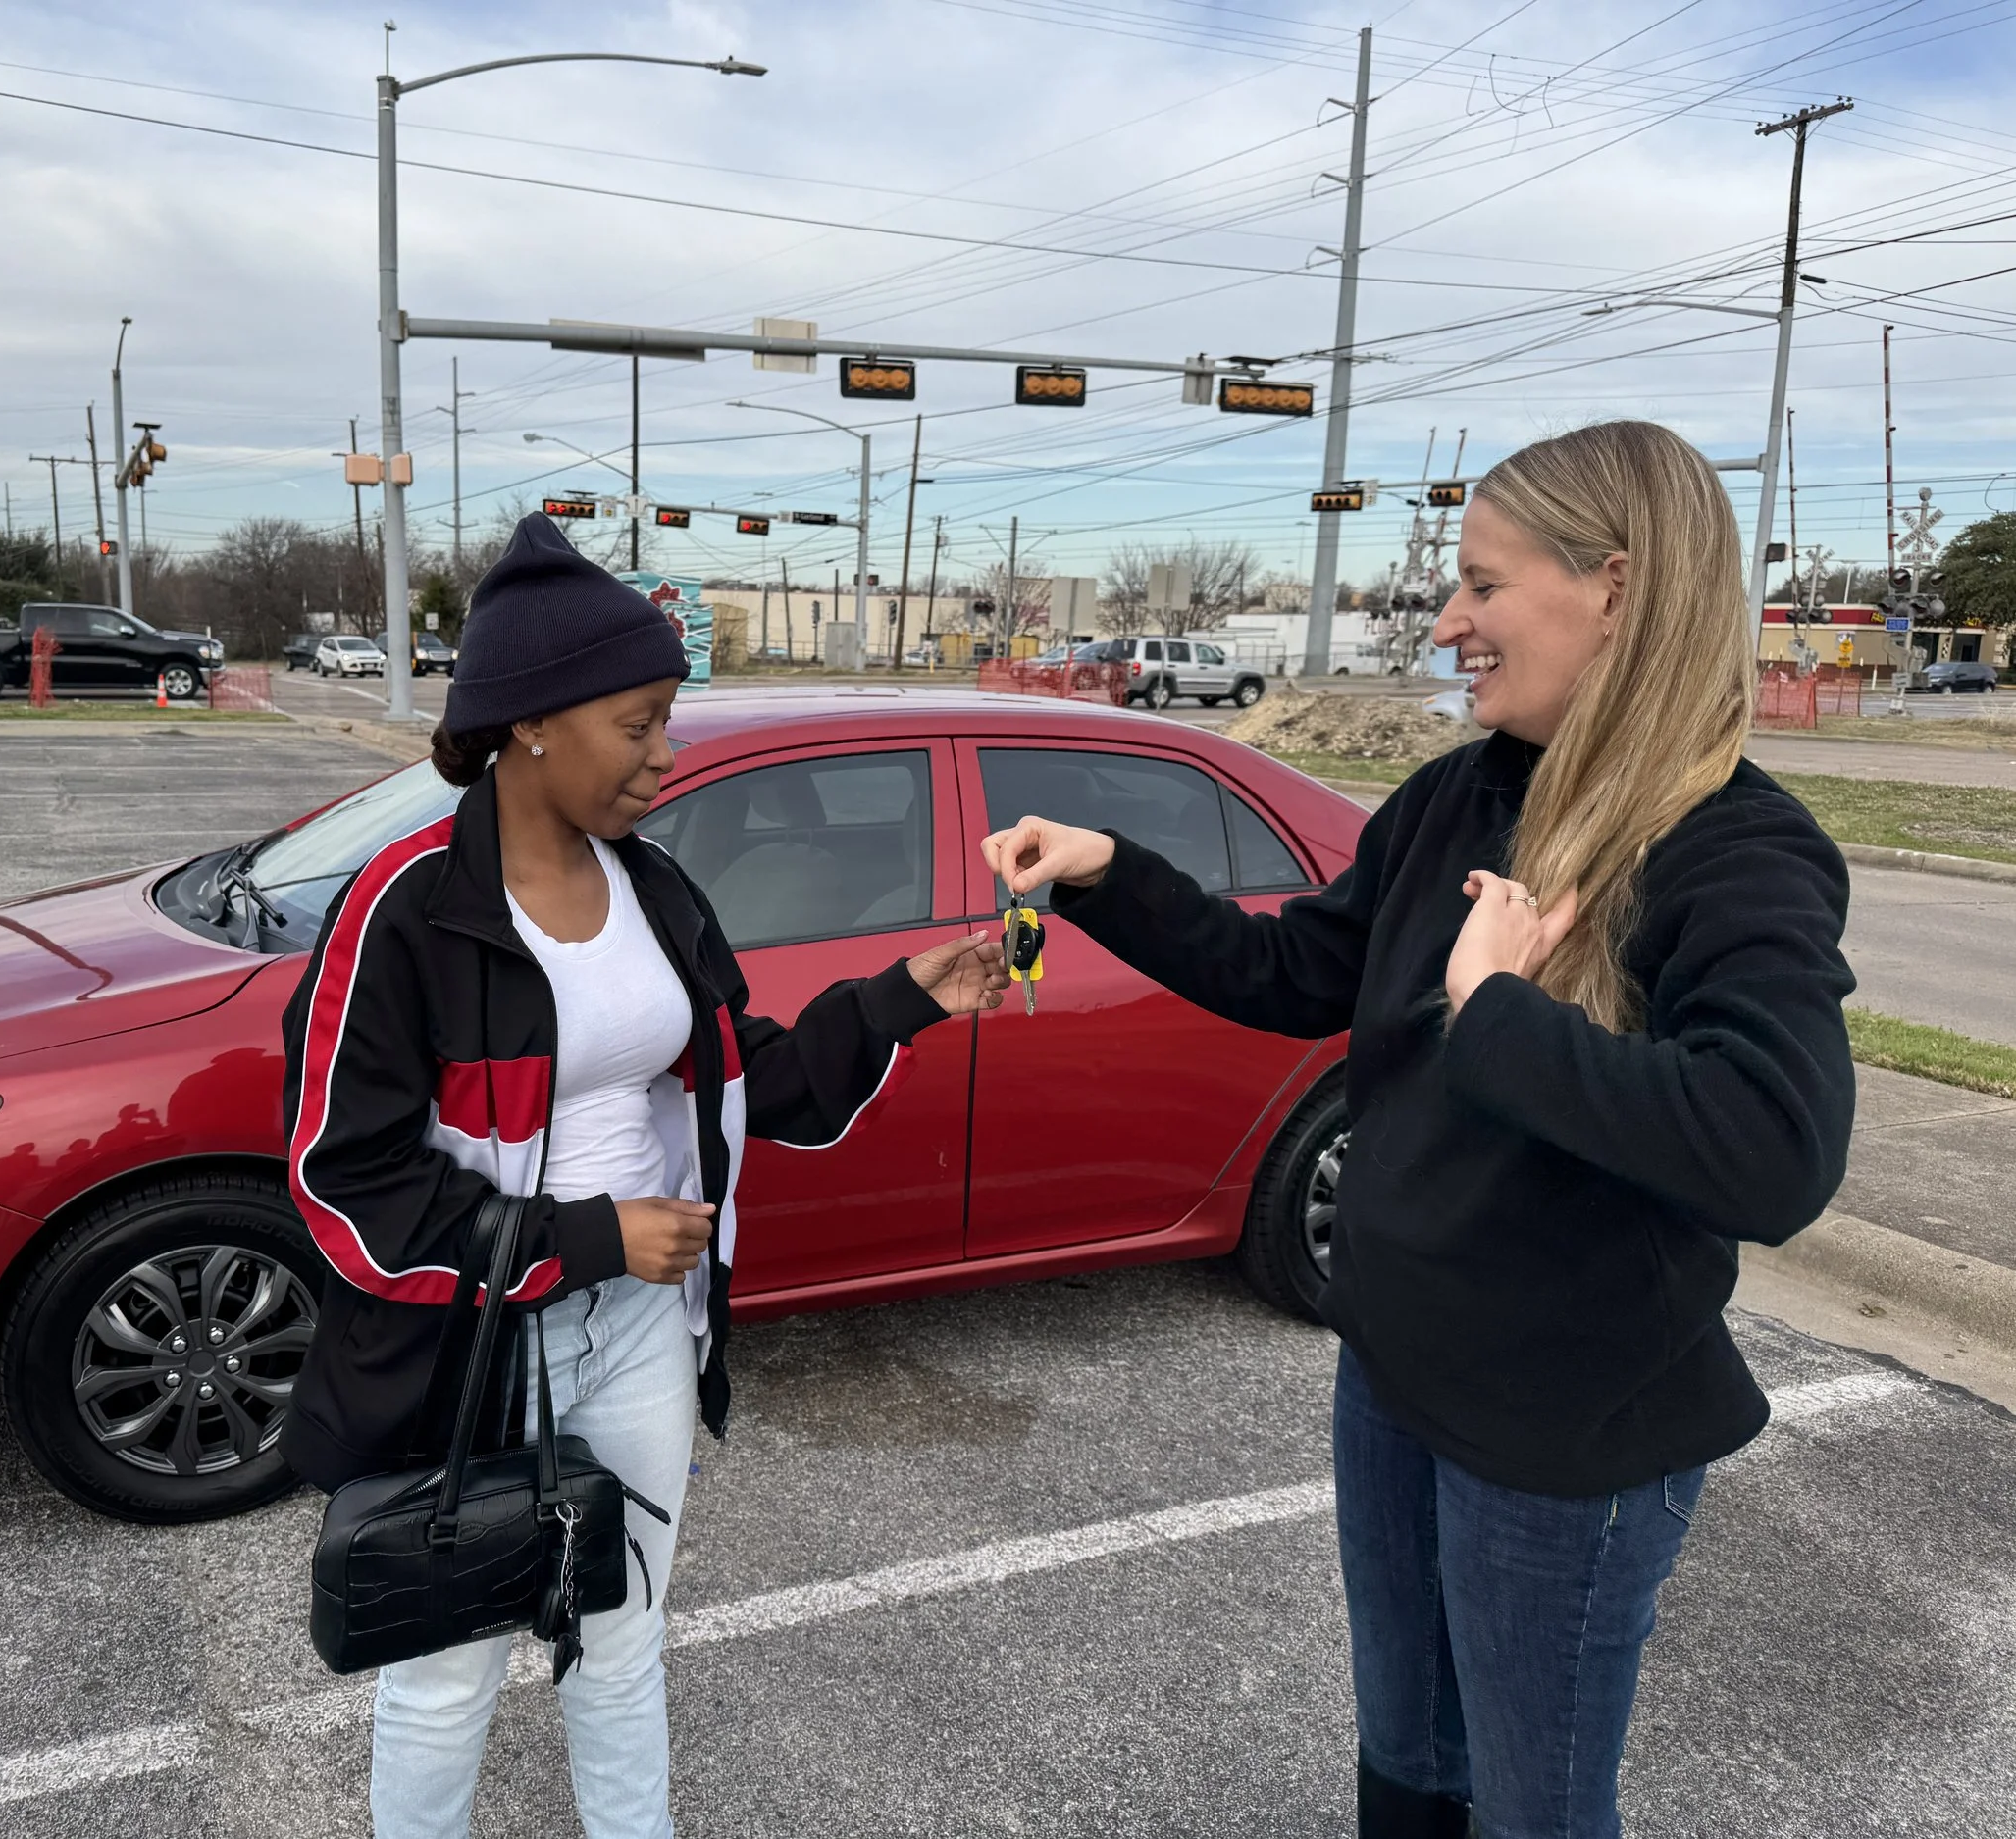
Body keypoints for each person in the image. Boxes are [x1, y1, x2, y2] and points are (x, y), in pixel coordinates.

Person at [984, 421, 1855, 1839]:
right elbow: (1296, 972)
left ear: (1618, 591)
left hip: (1566, 1428)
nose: (1446, 621)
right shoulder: (1459, 794)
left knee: (1533, 1807)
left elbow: (1774, 1149)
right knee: (1406, 1755)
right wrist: (1108, 873)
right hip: (1395, 1370)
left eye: (1483, 584)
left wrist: (1500, 1011)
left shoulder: (1731, 848)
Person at [281, 513, 1008, 1839]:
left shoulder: (659, 893)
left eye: (668, 716)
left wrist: (902, 998)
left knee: (621, 1643)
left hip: (639, 1340)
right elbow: (347, 1188)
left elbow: (753, 1079)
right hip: (467, 1351)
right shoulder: (406, 914)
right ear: (532, 722)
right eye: (640, 720)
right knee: (444, 1678)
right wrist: (587, 1236)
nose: (664, 754)